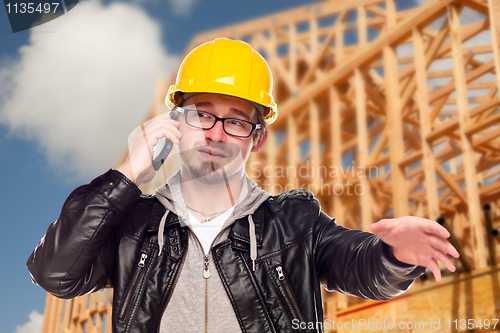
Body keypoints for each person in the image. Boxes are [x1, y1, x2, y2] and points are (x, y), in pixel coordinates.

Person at [27, 38, 459, 333]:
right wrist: (126, 175)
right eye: (202, 113)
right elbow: (55, 274)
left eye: (235, 120)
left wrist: (394, 256)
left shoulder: (294, 223)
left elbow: (360, 267)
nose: (215, 133)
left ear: (258, 136)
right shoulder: (134, 225)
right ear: (176, 121)